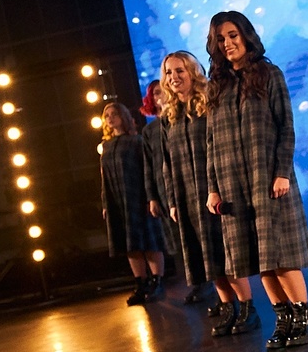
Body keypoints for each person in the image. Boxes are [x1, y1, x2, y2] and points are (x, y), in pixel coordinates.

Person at [203, 11, 308, 349]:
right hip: (233, 185)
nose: (228, 43)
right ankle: (283, 318)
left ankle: (304, 318)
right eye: (220, 39)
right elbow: (211, 142)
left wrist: (282, 171)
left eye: (233, 35)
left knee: (280, 255)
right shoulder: (217, 86)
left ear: (246, 36)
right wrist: (213, 188)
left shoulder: (269, 74)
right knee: (258, 259)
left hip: (267, 178)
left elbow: (286, 126)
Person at [157, 51, 241, 315]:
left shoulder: (209, 103)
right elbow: (167, 163)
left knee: (225, 252)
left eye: (179, 70)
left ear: (192, 72)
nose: (173, 77)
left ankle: (245, 307)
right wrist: (173, 201)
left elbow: (222, 146)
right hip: (187, 195)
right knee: (207, 255)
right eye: (168, 72)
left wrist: (220, 187)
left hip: (213, 190)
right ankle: (227, 305)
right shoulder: (169, 116)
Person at [97, 101, 164, 305]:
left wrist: (150, 197)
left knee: (149, 240)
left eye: (114, 114)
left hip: (137, 196)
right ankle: (140, 283)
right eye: (107, 115)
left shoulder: (136, 141)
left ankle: (157, 281)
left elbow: (147, 170)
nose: (110, 118)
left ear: (123, 116)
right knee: (130, 244)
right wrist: (106, 204)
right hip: (117, 200)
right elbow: (104, 177)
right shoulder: (106, 146)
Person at [138, 80, 181, 302]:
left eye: (162, 91)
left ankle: (207, 284)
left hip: (182, 184)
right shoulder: (149, 131)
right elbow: (148, 166)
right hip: (162, 190)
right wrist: (152, 197)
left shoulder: (179, 120)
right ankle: (192, 282)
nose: (160, 96)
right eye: (155, 93)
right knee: (173, 239)